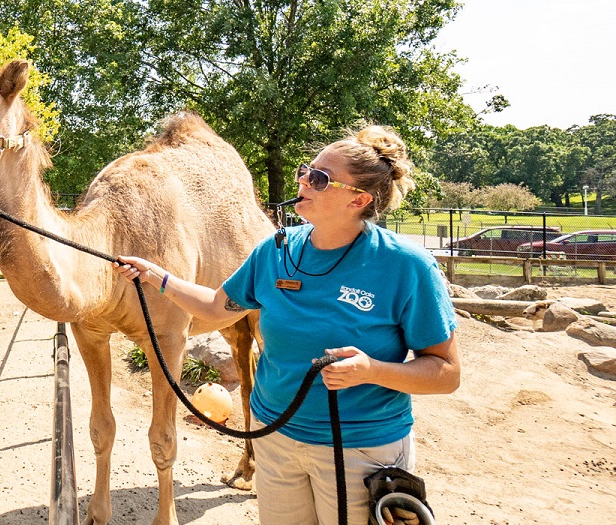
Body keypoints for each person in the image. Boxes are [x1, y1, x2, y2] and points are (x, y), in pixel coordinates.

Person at [112, 125, 460, 525]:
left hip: (360, 449)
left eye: (320, 179)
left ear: (359, 199)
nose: (302, 181)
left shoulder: (405, 266)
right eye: (304, 170)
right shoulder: (275, 250)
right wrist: (157, 276)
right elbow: (215, 306)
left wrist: (373, 371)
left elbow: (446, 373)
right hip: (275, 438)